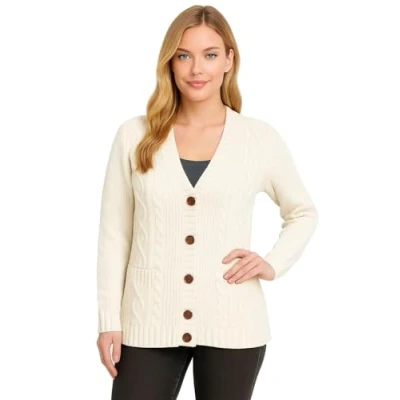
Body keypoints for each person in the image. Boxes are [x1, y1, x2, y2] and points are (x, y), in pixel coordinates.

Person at [96, 4, 318, 400]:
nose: (197, 69)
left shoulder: (258, 139)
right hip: (147, 319)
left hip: (233, 322)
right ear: (170, 62)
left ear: (229, 60)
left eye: (210, 55)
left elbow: (302, 212)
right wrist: (108, 320)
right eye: (184, 56)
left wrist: (271, 263)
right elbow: (115, 235)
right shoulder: (134, 136)